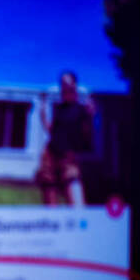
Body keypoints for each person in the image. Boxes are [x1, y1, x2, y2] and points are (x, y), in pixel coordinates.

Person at [36, 71, 94, 206]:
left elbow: (86, 135)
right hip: (50, 155)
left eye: (68, 83)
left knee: (77, 204)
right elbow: (51, 130)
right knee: (50, 204)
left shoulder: (82, 109)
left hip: (69, 157)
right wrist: (43, 111)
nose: (65, 87)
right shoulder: (59, 109)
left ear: (74, 86)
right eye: (62, 84)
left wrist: (91, 116)